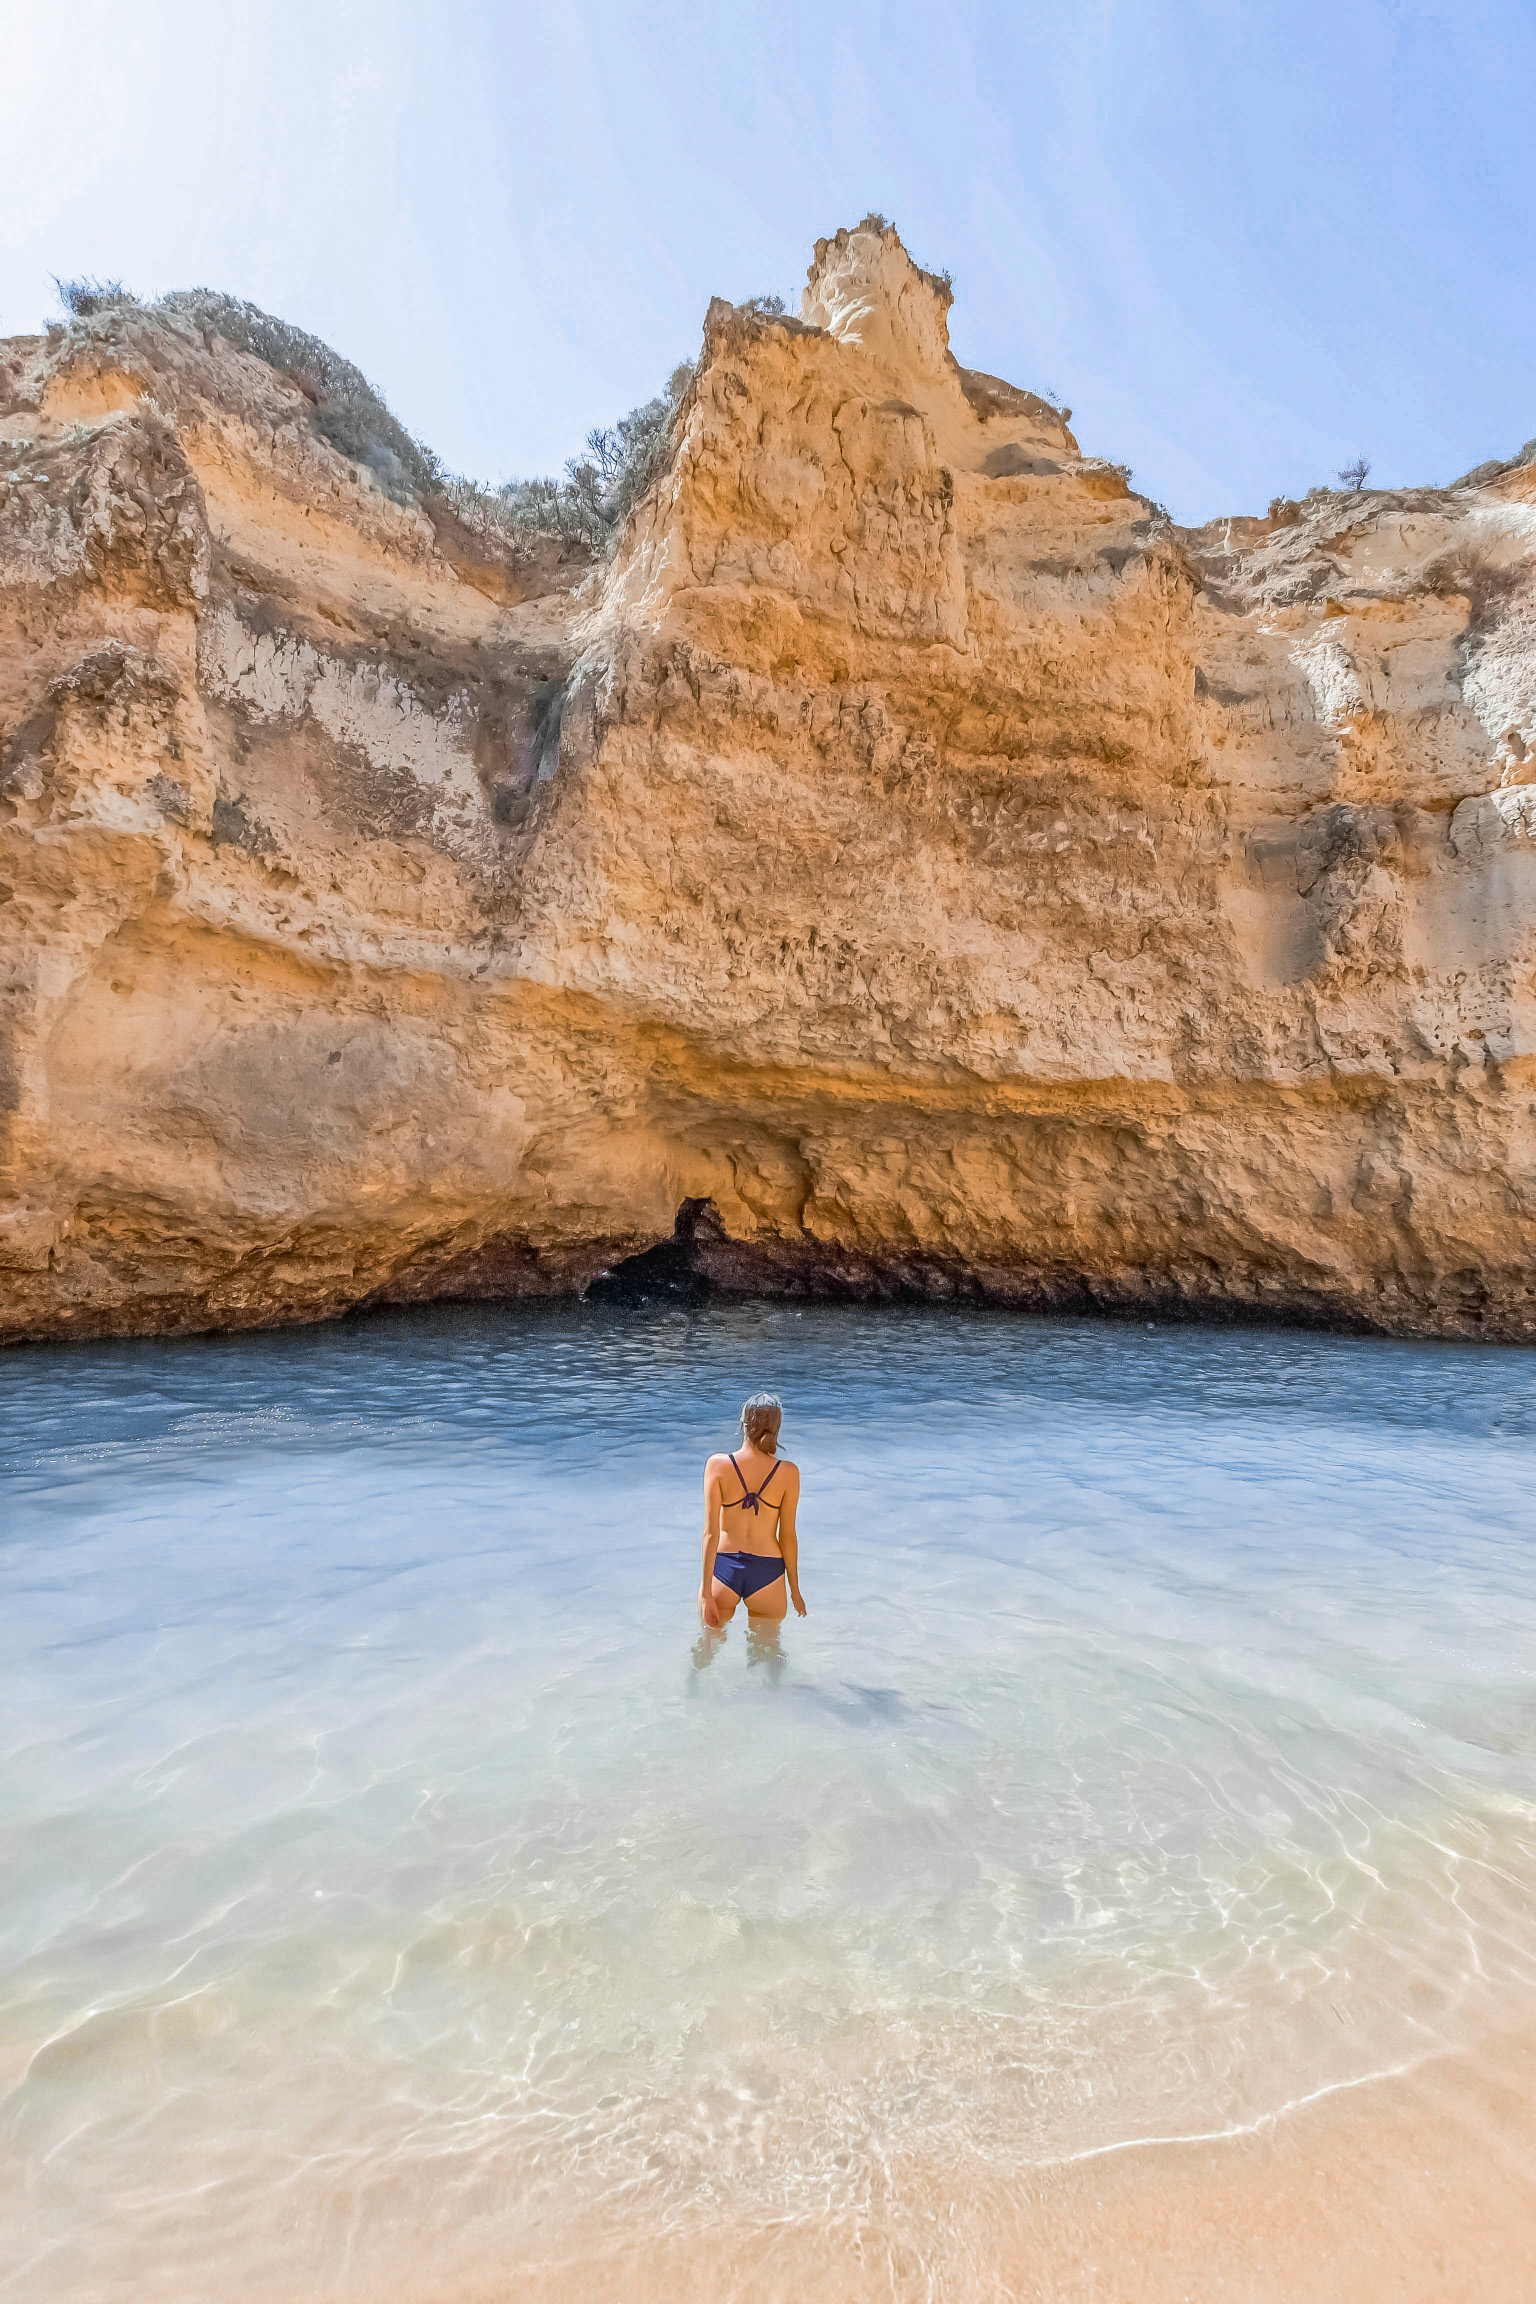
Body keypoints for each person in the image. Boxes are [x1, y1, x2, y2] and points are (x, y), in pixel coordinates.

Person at [699, 1392, 806, 1629]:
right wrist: (795, 1591)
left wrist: (707, 1593)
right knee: (769, 1655)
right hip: (768, 1572)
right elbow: (787, 1537)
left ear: (744, 1424)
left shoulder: (717, 1465)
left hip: (725, 1567)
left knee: (707, 1649)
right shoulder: (788, 1473)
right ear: (777, 1427)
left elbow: (710, 1534)